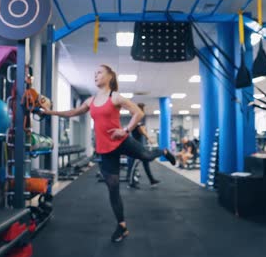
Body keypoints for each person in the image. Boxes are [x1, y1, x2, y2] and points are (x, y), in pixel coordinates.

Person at [43, 65, 176, 243]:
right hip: (105, 149)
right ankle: (122, 226)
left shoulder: (115, 97)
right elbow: (72, 112)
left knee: (145, 155)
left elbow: (138, 112)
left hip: (122, 141)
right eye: (94, 73)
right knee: (113, 188)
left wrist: (126, 130)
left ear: (110, 76)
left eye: (99, 72)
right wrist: (50, 112)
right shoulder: (91, 101)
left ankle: (164, 151)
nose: (95, 75)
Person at [126, 103, 160, 188]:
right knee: (133, 164)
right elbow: (142, 131)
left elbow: (141, 130)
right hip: (136, 147)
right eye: (142, 109)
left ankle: (152, 180)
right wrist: (149, 138)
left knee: (145, 162)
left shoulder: (138, 120)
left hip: (140, 146)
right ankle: (130, 183)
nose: (143, 112)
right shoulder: (137, 120)